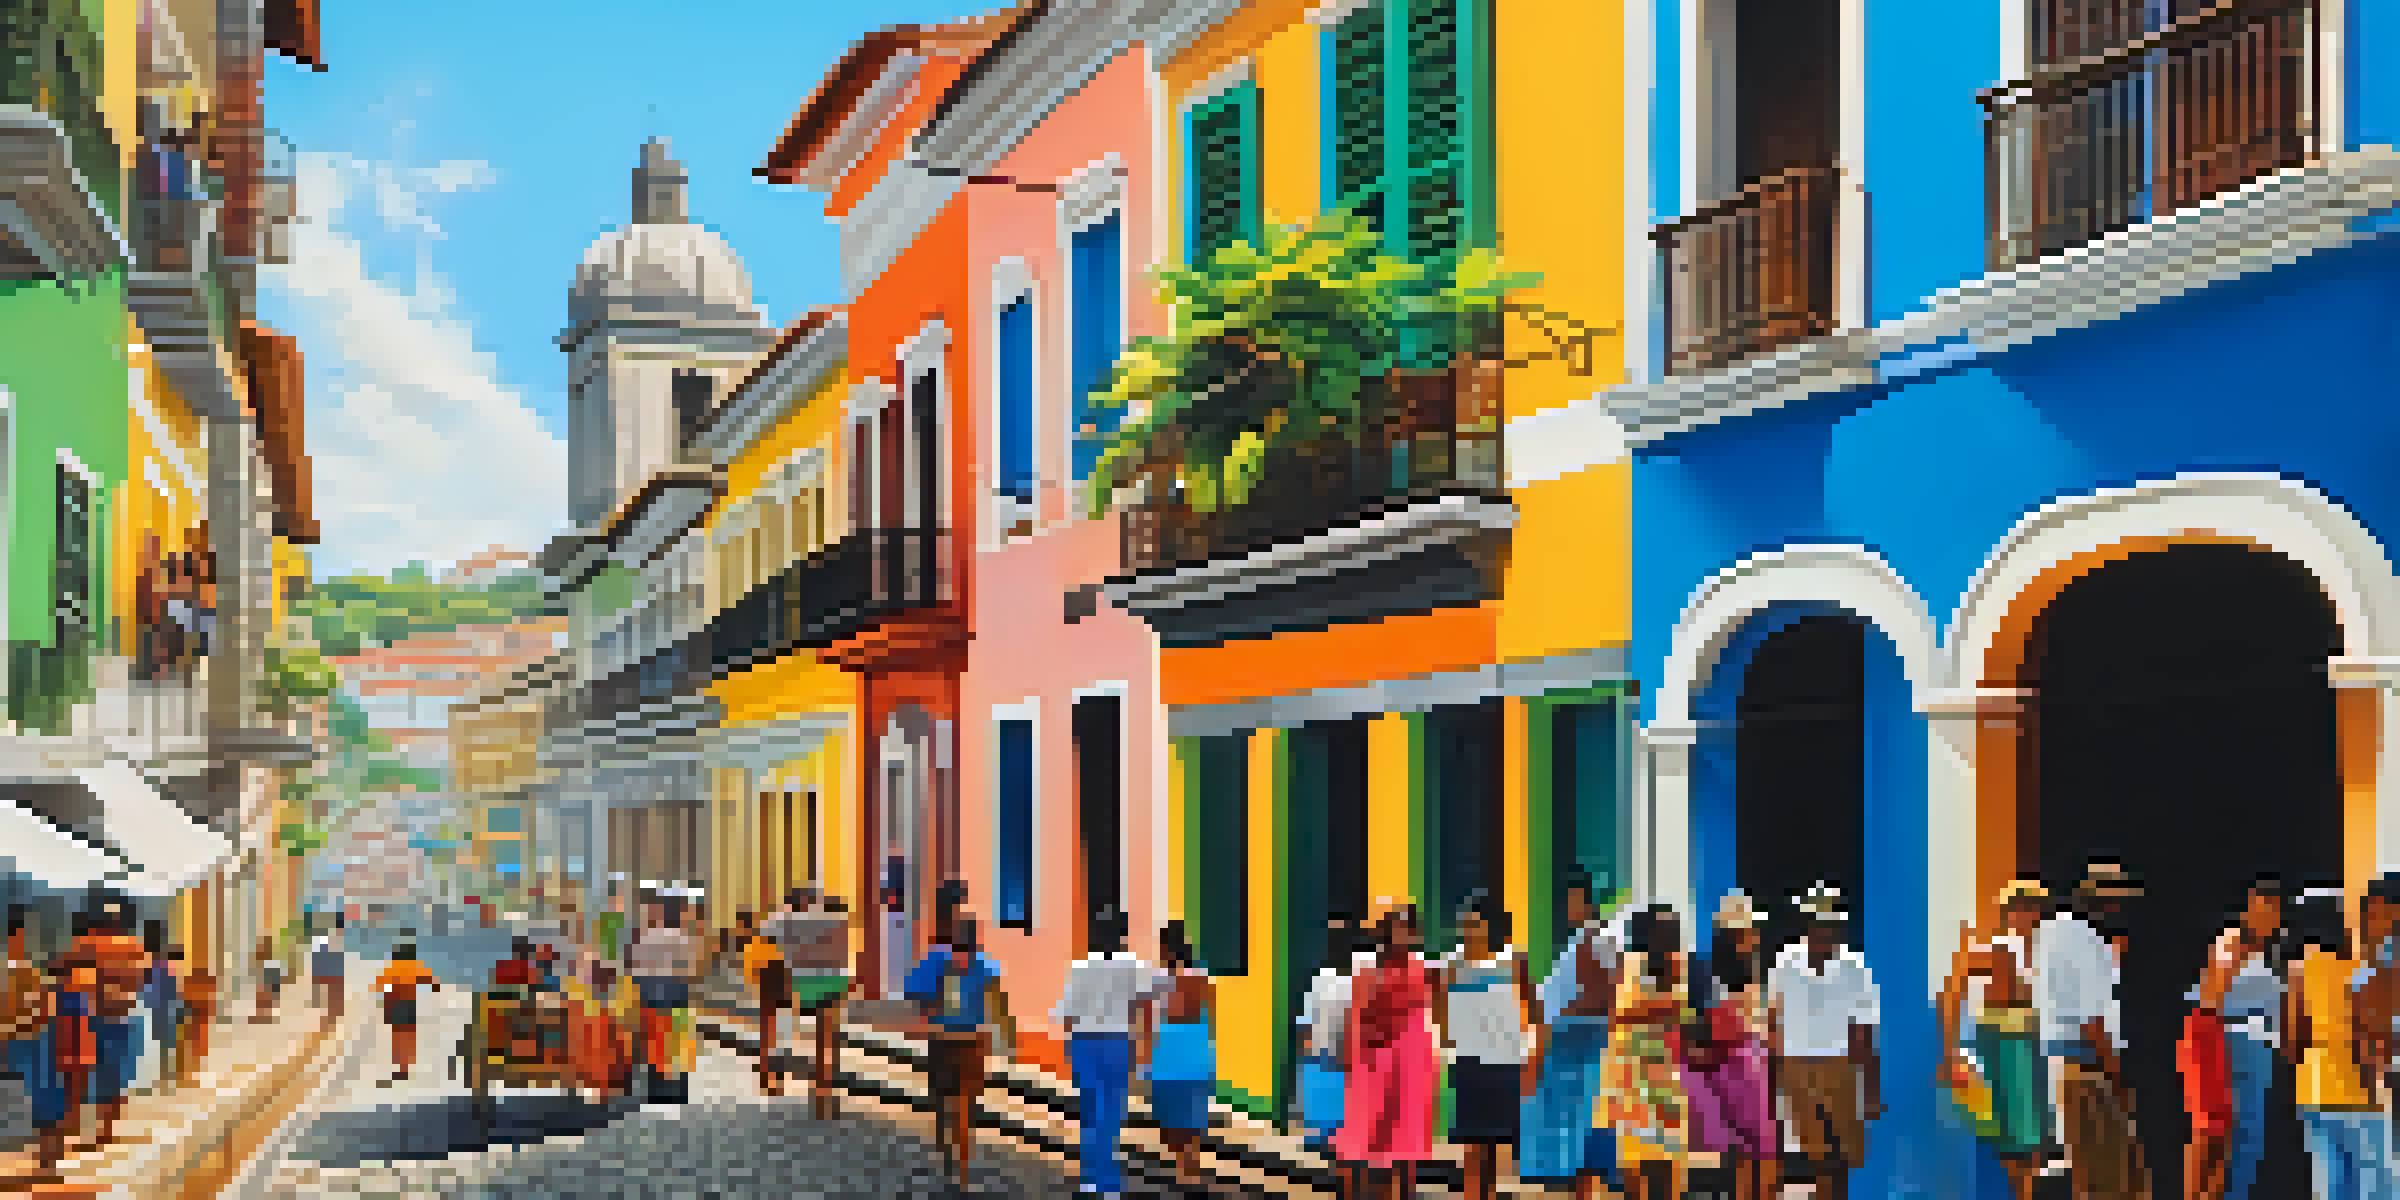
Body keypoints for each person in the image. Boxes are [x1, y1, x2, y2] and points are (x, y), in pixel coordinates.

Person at [2037, 858, 2145, 1200]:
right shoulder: (2084, 938)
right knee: (2115, 1179)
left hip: (2061, 1065)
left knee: (2088, 1175)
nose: (2121, 910)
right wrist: (2116, 1077)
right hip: (2088, 1067)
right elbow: (2092, 1019)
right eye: (2118, 900)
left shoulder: (2052, 930)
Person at [1768, 883, 1883, 1200]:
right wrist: (1772, 1080)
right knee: (1814, 1154)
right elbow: (1773, 1022)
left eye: (1831, 923)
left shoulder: (1854, 966)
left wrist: (1870, 1090)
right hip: (1796, 1067)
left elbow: (1864, 1030)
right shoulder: (1785, 962)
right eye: (1818, 922)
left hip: (1840, 1066)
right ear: (1807, 923)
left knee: (1843, 1154)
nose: (1824, 930)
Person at [1939, 879, 2051, 1200]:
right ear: (2008, 912)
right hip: (2001, 1046)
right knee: (2004, 1143)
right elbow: (1954, 989)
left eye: (2034, 907)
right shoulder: (1999, 948)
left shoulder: (2043, 953)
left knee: (2031, 1146)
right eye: (2021, 907)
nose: (2029, 914)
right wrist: (1949, 1049)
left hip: (2031, 1046)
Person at [1521, 869, 1623, 1198]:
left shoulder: (1599, 940)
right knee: (1566, 1122)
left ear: (1586, 901)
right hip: (1565, 1039)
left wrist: (1558, 1018)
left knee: (1578, 1121)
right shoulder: (1579, 941)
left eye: (1573, 900)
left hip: (1577, 1041)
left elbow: (1604, 996)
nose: (1568, 907)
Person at [2284, 886, 2389, 1200]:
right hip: (2356, 1090)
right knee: (2370, 1185)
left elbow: (2293, 1038)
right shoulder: (2359, 972)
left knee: (2330, 1184)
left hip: (2314, 1089)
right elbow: (2366, 1034)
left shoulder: (2299, 972)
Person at [904, 907, 1014, 1191]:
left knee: (957, 1103)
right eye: (959, 949)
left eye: (965, 949)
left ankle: (956, 1163)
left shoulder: (976, 966)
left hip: (962, 1043)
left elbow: (997, 1007)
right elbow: (916, 996)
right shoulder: (954, 963)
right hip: (952, 1042)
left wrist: (1002, 1040)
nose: (962, 957)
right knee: (949, 1102)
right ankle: (951, 1158)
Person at [1336, 901, 1439, 1200]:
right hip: (1375, 1065)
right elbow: (1357, 1018)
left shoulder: (1425, 970)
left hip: (1411, 1067)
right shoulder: (1369, 969)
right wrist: (1353, 1061)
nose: (1402, 935)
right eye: (1396, 928)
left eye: (1407, 929)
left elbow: (1433, 1014)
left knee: (1406, 1145)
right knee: (1370, 1142)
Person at [1054, 904, 1157, 1198]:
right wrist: (1144, 1048)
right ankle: (1109, 1183)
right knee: (1111, 1115)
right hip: (1118, 1043)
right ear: (1122, 935)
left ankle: (1090, 1178)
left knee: (1089, 1112)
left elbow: (1068, 1015)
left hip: (1085, 1042)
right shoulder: (1134, 967)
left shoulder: (1081, 968)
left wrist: (1069, 1047)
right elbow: (1145, 1009)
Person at [1438, 891, 1535, 1200]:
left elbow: (1532, 1014)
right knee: (1472, 1146)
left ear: (1488, 926)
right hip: (1469, 1064)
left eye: (1473, 924)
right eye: (1464, 925)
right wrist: (1453, 1042)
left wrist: (1529, 1059)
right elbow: (1441, 1016)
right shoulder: (1451, 964)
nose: (1467, 931)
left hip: (1506, 1065)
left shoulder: (1513, 962)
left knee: (1498, 1148)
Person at [1687, 892, 1780, 1200]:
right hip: (1733, 1076)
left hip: (1747, 1075)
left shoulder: (1752, 977)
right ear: (1735, 935)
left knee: (1753, 1157)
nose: (1755, 938)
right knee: (1752, 1156)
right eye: (1749, 931)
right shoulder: (1707, 978)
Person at [1604, 902, 1695, 1200]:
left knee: (1669, 1162)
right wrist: (1663, 1010)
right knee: (1635, 1165)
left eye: (1673, 928)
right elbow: (1616, 1014)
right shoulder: (1629, 966)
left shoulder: (1678, 967)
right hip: (1631, 1081)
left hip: (1666, 1079)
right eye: (1664, 928)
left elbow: (1684, 1014)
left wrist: (1657, 1011)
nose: (1671, 935)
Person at [2212, 875, 2289, 1200]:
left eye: (2274, 911)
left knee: (2252, 1137)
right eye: (2263, 909)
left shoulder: (2272, 954)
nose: (2270, 918)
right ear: (2248, 910)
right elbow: (2214, 995)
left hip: (2263, 1046)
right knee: (2232, 1135)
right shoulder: (2233, 941)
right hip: (2233, 1041)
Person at [1145, 919, 1218, 1190]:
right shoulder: (1200, 977)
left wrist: (1144, 1055)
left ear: (1166, 947)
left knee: (1170, 1120)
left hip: (1168, 1054)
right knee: (1191, 1117)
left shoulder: (1158, 979)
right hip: (1193, 1052)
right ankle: (1191, 1170)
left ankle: (1185, 1171)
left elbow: (1149, 1021)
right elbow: (1211, 1018)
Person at [72, 901, 148, 1149]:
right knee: (112, 1077)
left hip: (100, 1015)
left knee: (91, 1073)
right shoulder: (134, 948)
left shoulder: (90, 944)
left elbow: (73, 973)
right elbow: (138, 980)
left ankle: (94, 1129)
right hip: (116, 1015)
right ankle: (104, 1129)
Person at [1298, 912, 1363, 1196]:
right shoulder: (1320, 980)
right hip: (1323, 1067)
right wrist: (1306, 1066)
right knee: (1332, 1143)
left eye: (1342, 935)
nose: (1337, 942)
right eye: (1332, 936)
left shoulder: (1361, 979)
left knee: (1350, 1141)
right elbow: (1306, 1025)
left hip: (1353, 1069)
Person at [4, 906, 67, 1177]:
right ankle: (45, 1164)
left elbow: (45, 1010)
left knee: (42, 1104)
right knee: (34, 1105)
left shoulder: (29, 971)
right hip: (24, 1043)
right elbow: (44, 1010)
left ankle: (47, 1164)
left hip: (29, 1042)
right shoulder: (22, 971)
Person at [627, 900, 699, 1100]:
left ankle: (655, 1087)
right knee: (678, 1039)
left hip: (650, 991)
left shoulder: (646, 938)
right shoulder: (684, 939)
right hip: (677, 991)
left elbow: (636, 969)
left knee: (654, 1040)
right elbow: (690, 970)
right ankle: (678, 1087)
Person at [738, 910, 790, 1094]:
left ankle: (768, 1077)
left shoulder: (754, 946)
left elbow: (751, 976)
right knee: (775, 1037)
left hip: (767, 995)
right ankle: (772, 1077)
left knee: (769, 1038)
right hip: (776, 994)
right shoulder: (772, 946)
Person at [374, 943, 440, 1083]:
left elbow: (381, 987)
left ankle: (400, 1065)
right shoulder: (415, 966)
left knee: (397, 1036)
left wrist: (386, 1007)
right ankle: (405, 1066)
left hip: (394, 1004)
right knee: (408, 1035)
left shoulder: (391, 968)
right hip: (408, 1004)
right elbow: (433, 982)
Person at [141, 920, 180, 1095]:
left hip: (155, 1004)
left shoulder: (147, 960)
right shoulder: (169, 957)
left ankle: (159, 1077)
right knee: (165, 1040)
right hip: (163, 1004)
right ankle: (166, 1076)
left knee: (156, 1040)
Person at [176, 947, 215, 1088]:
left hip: (196, 1010)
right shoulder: (192, 977)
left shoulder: (197, 977)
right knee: (190, 1039)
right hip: (192, 1010)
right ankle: (186, 1072)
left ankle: (188, 1071)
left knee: (193, 1040)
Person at [309, 921, 347, 1023]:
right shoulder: (322, 941)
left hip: (333, 974)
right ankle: (330, 1017)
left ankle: (332, 1017)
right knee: (327, 998)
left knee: (331, 997)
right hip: (329, 973)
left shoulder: (335, 941)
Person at [252, 936, 283, 1024]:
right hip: (265, 987)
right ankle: (264, 1015)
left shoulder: (272, 963)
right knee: (263, 999)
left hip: (268, 987)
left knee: (266, 999)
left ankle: (266, 1015)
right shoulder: (262, 962)